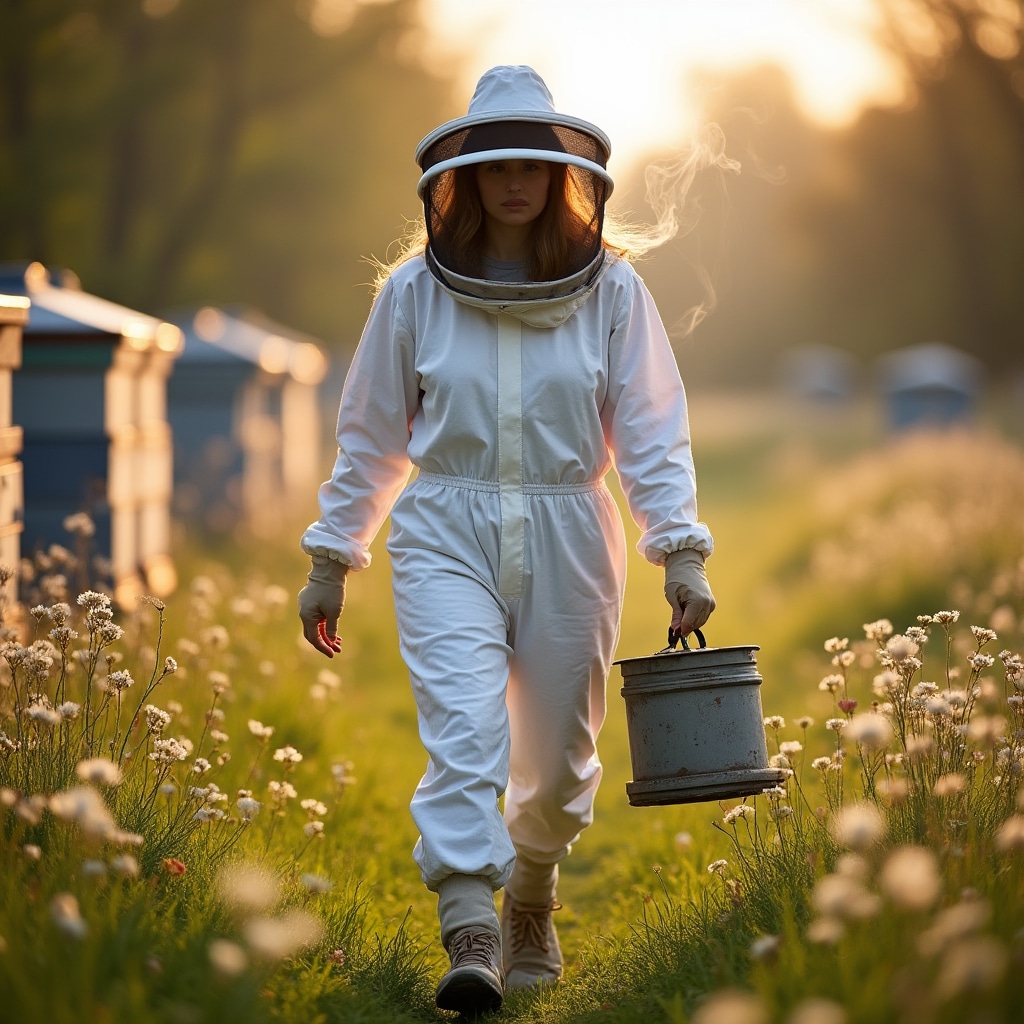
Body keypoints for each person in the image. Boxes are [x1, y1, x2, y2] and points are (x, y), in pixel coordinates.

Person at [298, 65, 715, 1017]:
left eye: (531, 164)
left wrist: (680, 548)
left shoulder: (614, 292)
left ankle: (531, 891)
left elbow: (651, 426)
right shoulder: (412, 293)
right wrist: (331, 557)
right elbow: (370, 432)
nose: (514, 183)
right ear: (466, 179)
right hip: (445, 526)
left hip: (574, 526)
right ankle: (470, 927)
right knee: (465, 733)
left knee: (561, 758)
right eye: (495, 167)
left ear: (565, 175)